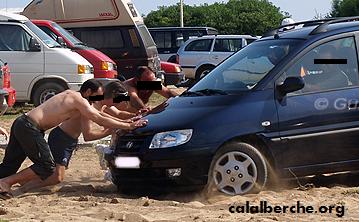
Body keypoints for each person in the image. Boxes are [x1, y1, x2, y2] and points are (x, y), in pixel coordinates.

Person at [0, 79, 148, 198]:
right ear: (89, 91)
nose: (97, 99)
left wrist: (127, 122)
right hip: (29, 127)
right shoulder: (79, 100)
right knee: (47, 166)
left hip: (22, 122)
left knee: (9, 166)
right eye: (96, 95)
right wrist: (128, 126)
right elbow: (97, 118)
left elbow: (103, 115)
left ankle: (5, 181)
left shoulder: (73, 95)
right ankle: (6, 182)